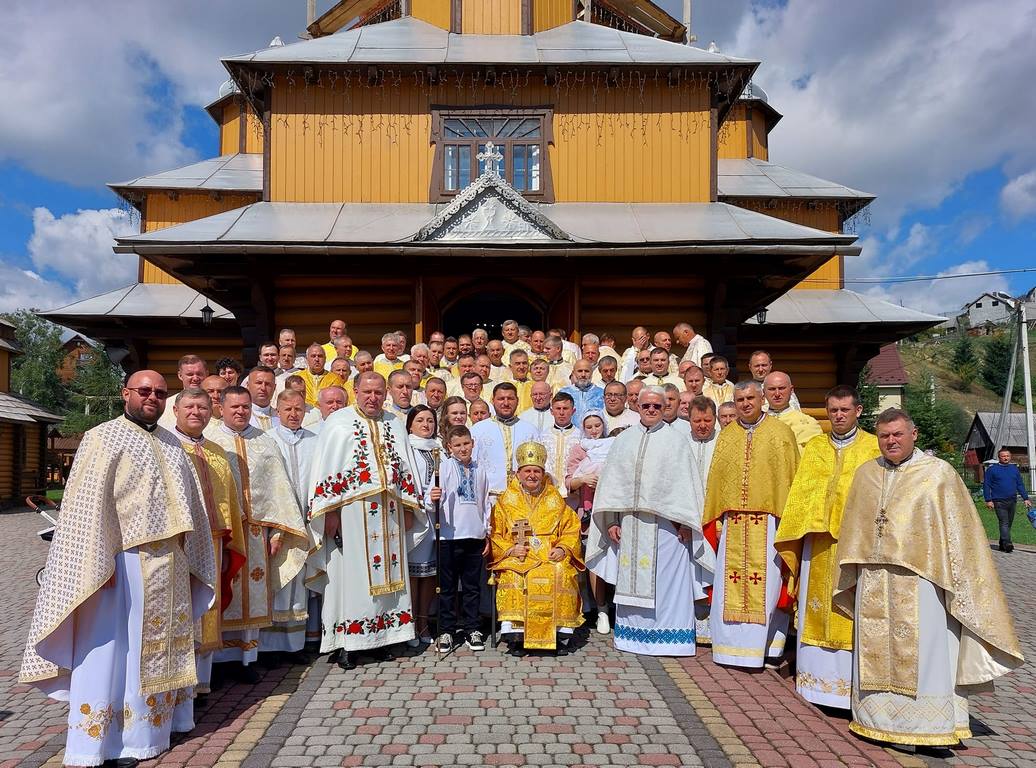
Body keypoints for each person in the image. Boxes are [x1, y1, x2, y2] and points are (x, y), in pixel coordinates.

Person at [21, 371, 217, 768]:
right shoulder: (102, 437)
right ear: (125, 393)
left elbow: (190, 507)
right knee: (113, 652)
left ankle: (149, 734)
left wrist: (192, 556)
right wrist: (98, 562)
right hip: (120, 564)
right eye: (144, 391)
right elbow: (85, 510)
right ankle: (102, 745)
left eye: (160, 393)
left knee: (158, 649)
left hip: (169, 564)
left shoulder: (171, 443)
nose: (152, 397)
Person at [835, 408, 1023, 747]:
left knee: (928, 653)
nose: (890, 441)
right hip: (874, 579)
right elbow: (855, 529)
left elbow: (960, 535)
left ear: (914, 434)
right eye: (884, 436)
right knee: (873, 648)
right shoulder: (866, 474)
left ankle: (928, 729)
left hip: (923, 582)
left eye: (897, 434)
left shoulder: (938, 474)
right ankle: (875, 720)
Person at [306, 372, 428, 669]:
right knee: (352, 576)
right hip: (351, 514)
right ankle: (349, 642)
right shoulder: (339, 422)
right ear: (356, 391)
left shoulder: (394, 423)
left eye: (377, 392)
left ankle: (385, 638)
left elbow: (405, 468)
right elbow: (326, 469)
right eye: (366, 392)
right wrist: (330, 511)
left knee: (391, 578)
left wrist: (410, 508)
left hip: (391, 514)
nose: (372, 397)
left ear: (385, 392)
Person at [773, 386, 880, 709]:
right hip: (816, 546)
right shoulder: (816, 446)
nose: (838, 416)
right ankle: (815, 686)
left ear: (858, 411)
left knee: (849, 610)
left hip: (854, 546)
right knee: (814, 607)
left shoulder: (873, 448)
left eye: (844, 410)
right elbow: (802, 495)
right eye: (833, 410)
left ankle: (848, 689)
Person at [586, 387, 712, 657]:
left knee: (667, 584)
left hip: (669, 529)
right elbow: (612, 486)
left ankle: (670, 639)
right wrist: (611, 521)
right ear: (638, 407)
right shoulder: (624, 440)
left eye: (657, 406)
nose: (652, 411)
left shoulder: (676, 440)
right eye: (646, 406)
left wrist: (688, 524)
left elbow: (688, 488)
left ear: (665, 407)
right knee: (631, 578)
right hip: (629, 526)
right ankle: (632, 637)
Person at [208, 386, 309, 680]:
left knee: (253, 596)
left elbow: (280, 488)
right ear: (222, 408)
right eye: (235, 406)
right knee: (223, 591)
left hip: (256, 534)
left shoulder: (264, 441)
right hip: (225, 533)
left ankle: (246, 660)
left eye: (245, 406)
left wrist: (278, 533)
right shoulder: (212, 440)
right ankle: (217, 661)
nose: (240, 411)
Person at [702, 380, 799, 669]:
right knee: (727, 585)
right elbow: (717, 480)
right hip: (733, 524)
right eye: (740, 399)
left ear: (762, 399)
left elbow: (791, 479)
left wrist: (788, 522)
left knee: (769, 584)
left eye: (750, 398)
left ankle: (767, 647)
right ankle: (729, 648)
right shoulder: (727, 436)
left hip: (769, 522)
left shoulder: (781, 433)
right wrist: (717, 520)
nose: (745, 403)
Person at [171, 388, 247, 697]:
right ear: (176, 410)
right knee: (183, 610)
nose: (196, 412)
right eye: (189, 406)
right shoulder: (167, 446)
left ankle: (202, 683)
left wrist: (230, 544)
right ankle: (179, 683)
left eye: (203, 407)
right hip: (181, 542)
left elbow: (229, 498)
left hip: (215, 541)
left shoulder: (217, 451)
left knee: (208, 611)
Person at [490, 440, 585, 655]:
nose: (532, 475)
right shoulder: (506, 500)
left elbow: (571, 530)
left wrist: (562, 549)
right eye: (527, 471)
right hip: (519, 553)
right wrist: (511, 550)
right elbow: (496, 534)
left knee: (560, 570)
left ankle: (559, 635)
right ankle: (516, 636)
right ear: (518, 473)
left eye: (536, 471)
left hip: (549, 553)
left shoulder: (555, 499)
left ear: (543, 473)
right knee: (514, 574)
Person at [426, 425, 491, 654]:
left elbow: (485, 504)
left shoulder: (480, 469)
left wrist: (487, 533)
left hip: (474, 535)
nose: (462, 449)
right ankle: (446, 631)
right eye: (457, 445)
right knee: (447, 587)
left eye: (466, 444)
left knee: (472, 587)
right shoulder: (443, 468)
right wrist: (432, 497)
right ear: (449, 447)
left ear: (472, 443)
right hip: (449, 536)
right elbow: (430, 497)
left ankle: (472, 628)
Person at [266, 389, 320, 656]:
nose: (293, 414)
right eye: (287, 409)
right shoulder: (267, 440)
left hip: (308, 521)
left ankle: (298, 644)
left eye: (298, 409)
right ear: (278, 412)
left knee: (302, 580)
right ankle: (272, 647)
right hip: (280, 524)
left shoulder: (315, 440)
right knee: (280, 579)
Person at [567, 410, 617, 634]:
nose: (594, 430)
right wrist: (583, 479)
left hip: (613, 510)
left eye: (598, 426)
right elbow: (569, 479)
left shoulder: (613, 444)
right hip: (587, 511)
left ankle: (617, 605)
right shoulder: (580, 448)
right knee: (593, 560)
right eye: (590, 427)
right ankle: (600, 609)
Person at [406, 406, 442, 645]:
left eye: (430, 420)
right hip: (415, 517)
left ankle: (424, 622)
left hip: (437, 519)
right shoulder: (406, 449)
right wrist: (421, 501)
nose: (426, 425)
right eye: (420, 420)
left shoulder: (440, 448)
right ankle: (409, 625)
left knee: (430, 574)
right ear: (410, 425)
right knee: (412, 574)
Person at [686, 395, 719, 645]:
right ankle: (692, 620)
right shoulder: (681, 443)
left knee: (713, 570)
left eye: (707, 420)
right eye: (697, 420)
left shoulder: (723, 444)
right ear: (689, 420)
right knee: (689, 572)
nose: (702, 425)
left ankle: (712, 621)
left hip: (714, 519)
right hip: (686, 517)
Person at [471, 382, 540, 499]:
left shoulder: (530, 430)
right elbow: (470, 464)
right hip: (488, 497)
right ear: (493, 401)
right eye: (501, 399)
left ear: (517, 401)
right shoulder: (478, 430)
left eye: (510, 398)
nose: (506, 403)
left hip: (522, 497)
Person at [983, 448, 1032, 552]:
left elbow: (1019, 484)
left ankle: (1002, 543)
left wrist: (1026, 498)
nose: (1005, 458)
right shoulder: (992, 470)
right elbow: (986, 485)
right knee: (1004, 522)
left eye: (1007, 456)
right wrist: (988, 500)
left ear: (1010, 457)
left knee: (1008, 523)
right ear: (999, 457)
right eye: (1003, 456)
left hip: (1012, 500)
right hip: (999, 501)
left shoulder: (1014, 469)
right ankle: (1008, 543)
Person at [540, 392, 583, 505]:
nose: (561, 412)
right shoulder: (543, 436)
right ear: (551, 411)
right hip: (548, 493)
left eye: (565, 408)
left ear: (573, 411)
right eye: (558, 408)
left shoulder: (581, 436)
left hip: (573, 493)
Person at [763, 371, 822, 453]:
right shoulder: (755, 423)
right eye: (772, 389)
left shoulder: (809, 423)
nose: (777, 394)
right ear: (763, 392)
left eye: (782, 388)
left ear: (791, 390)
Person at [158, 354, 208, 428]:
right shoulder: (166, 405)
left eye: (199, 374)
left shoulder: (217, 403)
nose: (195, 378)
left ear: (206, 374)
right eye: (190, 374)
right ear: (180, 375)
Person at [559, 359, 605, 427]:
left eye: (587, 371)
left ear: (592, 373)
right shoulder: (564, 393)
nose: (583, 375)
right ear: (573, 373)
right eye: (580, 371)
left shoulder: (601, 393)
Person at [247, 365, 277, 430]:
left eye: (268, 384)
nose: (263, 388)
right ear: (248, 385)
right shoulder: (240, 416)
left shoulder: (281, 416)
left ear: (274, 387)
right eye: (259, 383)